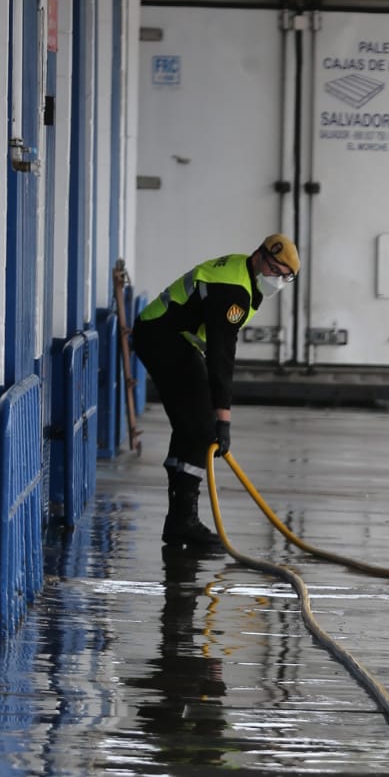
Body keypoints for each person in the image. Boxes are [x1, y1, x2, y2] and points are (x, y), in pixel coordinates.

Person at [132, 233, 300, 554]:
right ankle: (183, 521)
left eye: (285, 277)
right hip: (163, 339)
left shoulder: (243, 275)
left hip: (174, 339)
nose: (278, 281)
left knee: (191, 429)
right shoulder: (232, 290)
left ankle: (180, 520)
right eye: (276, 272)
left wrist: (217, 417)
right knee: (201, 431)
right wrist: (223, 419)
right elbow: (222, 357)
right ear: (260, 258)